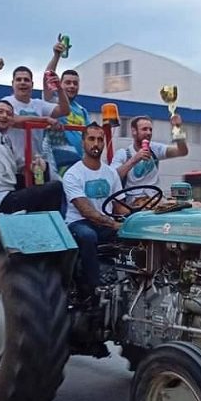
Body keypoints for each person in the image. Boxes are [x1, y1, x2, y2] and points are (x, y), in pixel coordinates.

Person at [0, 57, 61, 214]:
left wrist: (35, 166)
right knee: (55, 188)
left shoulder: (6, 140)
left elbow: (12, 169)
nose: (4, 116)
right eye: (0, 112)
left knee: (41, 183)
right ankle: (46, 225)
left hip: (9, 193)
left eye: (9, 113)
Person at [63, 123, 128, 301]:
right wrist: (115, 224)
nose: (96, 144)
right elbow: (86, 211)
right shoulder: (73, 174)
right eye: (91, 139)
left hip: (104, 222)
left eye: (100, 140)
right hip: (79, 222)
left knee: (132, 235)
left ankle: (128, 282)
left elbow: (120, 207)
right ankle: (93, 290)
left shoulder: (111, 173)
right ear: (83, 142)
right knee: (88, 236)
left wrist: (138, 216)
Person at [1, 61, 70, 179]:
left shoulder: (38, 104)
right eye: (19, 80)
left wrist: (59, 88)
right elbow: (14, 120)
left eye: (26, 80)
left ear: (32, 84)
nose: (22, 82)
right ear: (12, 84)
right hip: (13, 167)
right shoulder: (6, 102)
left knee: (53, 187)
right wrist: (45, 119)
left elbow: (65, 110)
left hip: (37, 165)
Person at [110, 115, 189, 204]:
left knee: (194, 205)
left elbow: (182, 151)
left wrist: (177, 128)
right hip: (134, 201)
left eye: (150, 129)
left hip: (156, 197)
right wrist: (134, 159)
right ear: (134, 131)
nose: (148, 133)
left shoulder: (155, 149)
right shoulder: (123, 153)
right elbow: (113, 177)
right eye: (144, 129)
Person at [40, 40, 91, 178]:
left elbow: (89, 137)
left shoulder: (82, 110)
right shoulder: (53, 102)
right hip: (58, 164)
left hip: (80, 164)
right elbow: (47, 78)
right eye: (67, 82)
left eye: (75, 83)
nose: (72, 86)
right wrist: (56, 56)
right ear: (60, 85)